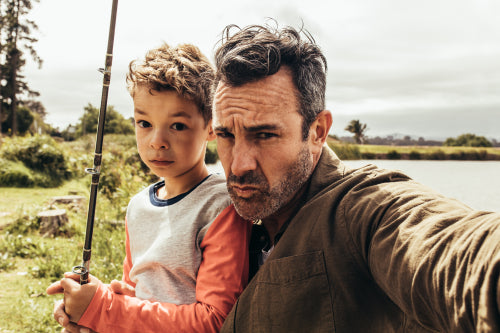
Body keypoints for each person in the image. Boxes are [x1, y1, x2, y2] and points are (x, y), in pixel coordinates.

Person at [211, 23, 500, 332]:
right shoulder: (225, 224)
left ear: (318, 131)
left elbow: (452, 249)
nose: (238, 166)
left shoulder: (360, 209)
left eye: (265, 135)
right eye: (225, 135)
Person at [46, 43, 251, 333]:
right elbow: (135, 294)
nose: (157, 141)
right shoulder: (138, 206)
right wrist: (88, 306)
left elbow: (215, 320)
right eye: (144, 123)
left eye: (177, 125)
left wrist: (104, 308)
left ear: (211, 127)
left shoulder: (221, 205)